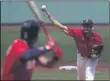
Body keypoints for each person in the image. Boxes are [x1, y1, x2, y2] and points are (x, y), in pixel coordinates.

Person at [42, 9, 104, 80]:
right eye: (84, 25)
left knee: (89, 75)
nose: (86, 27)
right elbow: (60, 26)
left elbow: (99, 50)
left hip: (91, 58)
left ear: (91, 27)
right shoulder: (77, 33)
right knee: (81, 78)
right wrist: (50, 17)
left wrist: (96, 55)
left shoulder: (97, 38)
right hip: (81, 56)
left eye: (88, 26)